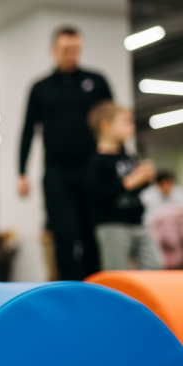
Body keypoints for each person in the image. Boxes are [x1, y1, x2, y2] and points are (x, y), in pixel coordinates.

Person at [17, 26, 113, 280]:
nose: (71, 55)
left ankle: (93, 289)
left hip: (91, 171)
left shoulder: (97, 82)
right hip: (57, 172)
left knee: (91, 234)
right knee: (64, 235)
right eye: (65, 50)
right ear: (54, 51)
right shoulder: (40, 88)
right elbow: (28, 130)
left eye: (76, 50)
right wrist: (21, 172)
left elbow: (111, 122)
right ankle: (69, 290)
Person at [86, 101, 161, 270]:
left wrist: (144, 179)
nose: (131, 128)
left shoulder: (128, 156)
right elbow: (96, 195)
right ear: (106, 126)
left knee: (155, 264)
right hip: (112, 226)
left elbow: (135, 188)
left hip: (137, 222)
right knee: (117, 270)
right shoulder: (97, 161)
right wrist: (128, 183)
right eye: (126, 123)